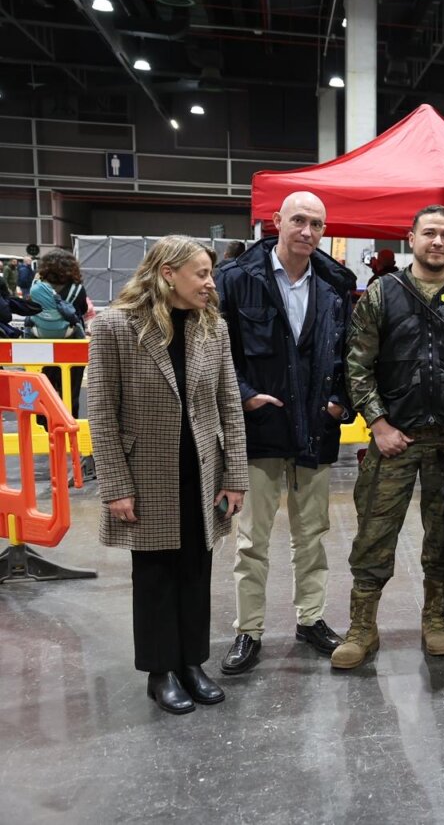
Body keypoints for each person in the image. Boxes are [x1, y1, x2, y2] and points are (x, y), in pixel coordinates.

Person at [331, 205, 444, 669]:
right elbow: (357, 365)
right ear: (412, 238)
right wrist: (379, 423)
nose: (437, 242)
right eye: (429, 233)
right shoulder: (381, 295)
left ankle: (434, 620)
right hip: (395, 441)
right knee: (373, 535)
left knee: (442, 538)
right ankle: (361, 629)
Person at [86, 235, 248, 714]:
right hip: (146, 472)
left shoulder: (211, 327)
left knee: (197, 567)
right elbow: (101, 411)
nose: (210, 284)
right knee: (156, 572)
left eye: (210, 273)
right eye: (201, 274)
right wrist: (115, 486)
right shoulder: (116, 326)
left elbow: (229, 403)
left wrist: (234, 473)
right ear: (167, 274)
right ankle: (161, 672)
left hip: (202, 466)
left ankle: (193, 662)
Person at [215, 191, 356, 675]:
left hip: (315, 431)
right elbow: (218, 352)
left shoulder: (338, 285)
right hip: (258, 432)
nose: (308, 232)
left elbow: (350, 354)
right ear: (276, 222)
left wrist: (342, 401)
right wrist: (246, 393)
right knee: (251, 541)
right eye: (298, 220)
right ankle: (248, 630)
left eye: (317, 224)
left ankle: (310, 619)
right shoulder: (235, 281)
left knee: (312, 536)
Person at [24, 249, 90, 419]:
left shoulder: (37, 288)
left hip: (40, 345)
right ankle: (69, 423)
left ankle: (44, 426)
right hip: (71, 343)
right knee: (71, 391)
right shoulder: (77, 289)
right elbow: (81, 311)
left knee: (44, 387)